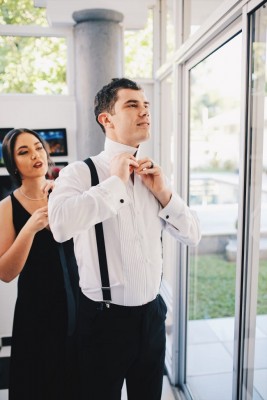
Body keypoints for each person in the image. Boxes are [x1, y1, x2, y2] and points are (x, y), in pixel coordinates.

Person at [48, 78, 201, 400]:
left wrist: (163, 193)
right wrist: (115, 183)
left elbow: (192, 235)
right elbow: (60, 227)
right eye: (132, 105)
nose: (144, 111)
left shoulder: (154, 174)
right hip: (103, 321)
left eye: (145, 105)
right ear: (107, 118)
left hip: (152, 316)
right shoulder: (79, 173)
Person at [0, 128, 78, 400]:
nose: (35, 155)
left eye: (37, 147)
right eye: (23, 152)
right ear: (13, 164)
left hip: (78, 306)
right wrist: (29, 229)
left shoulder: (67, 194)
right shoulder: (7, 207)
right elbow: (6, 273)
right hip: (36, 314)